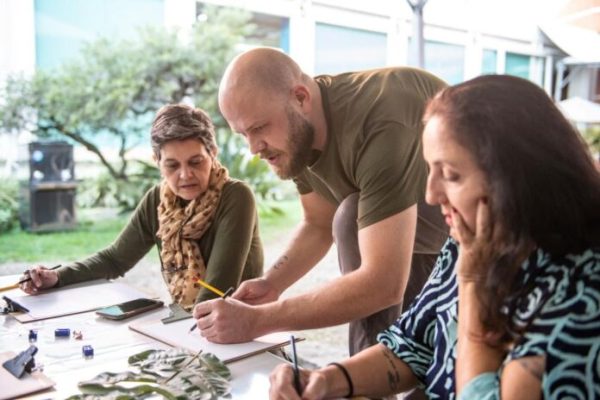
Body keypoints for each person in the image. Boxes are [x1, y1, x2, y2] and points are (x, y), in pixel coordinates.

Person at [268, 74, 600, 399]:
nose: (430, 194)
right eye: (431, 171)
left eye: (451, 175)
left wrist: (472, 286)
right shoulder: (469, 238)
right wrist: (327, 379)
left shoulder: (582, 292)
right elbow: (413, 344)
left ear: (519, 176)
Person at [193, 47, 449, 358]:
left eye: (259, 128)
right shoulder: (297, 138)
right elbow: (318, 223)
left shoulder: (380, 118)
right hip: (420, 221)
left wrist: (258, 321)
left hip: (494, 228)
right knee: (415, 361)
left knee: (353, 217)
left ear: (300, 97)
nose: (254, 148)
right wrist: (271, 284)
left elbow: (383, 283)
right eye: (243, 134)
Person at [20, 104, 263, 311]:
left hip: (242, 334)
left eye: (196, 162)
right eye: (172, 165)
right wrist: (58, 276)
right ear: (157, 161)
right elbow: (115, 260)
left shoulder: (236, 196)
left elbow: (217, 291)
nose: (185, 175)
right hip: (190, 330)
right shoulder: (157, 201)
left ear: (213, 153)